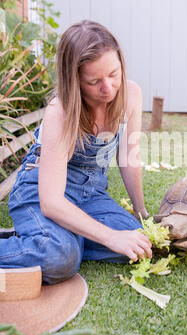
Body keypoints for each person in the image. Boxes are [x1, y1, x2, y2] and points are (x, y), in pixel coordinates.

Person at [0, 20, 152, 284]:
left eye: (113, 74)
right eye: (94, 81)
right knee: (60, 258)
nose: (108, 88)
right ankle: (52, 240)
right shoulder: (60, 111)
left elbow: (128, 160)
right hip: (40, 191)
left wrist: (142, 215)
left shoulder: (132, 95)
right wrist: (110, 236)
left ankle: (52, 236)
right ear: (75, 80)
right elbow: (51, 202)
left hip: (90, 194)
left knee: (137, 241)